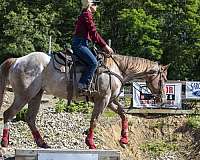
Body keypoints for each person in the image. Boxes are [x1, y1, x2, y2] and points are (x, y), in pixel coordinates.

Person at [72, 0, 113, 93]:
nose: (97, 6)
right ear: (90, 5)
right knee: (93, 63)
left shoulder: (85, 14)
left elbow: (92, 34)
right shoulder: (86, 14)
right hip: (80, 44)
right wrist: (105, 46)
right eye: (96, 4)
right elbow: (93, 33)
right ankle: (82, 85)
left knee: (96, 60)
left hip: (82, 43)